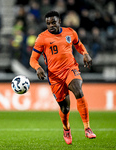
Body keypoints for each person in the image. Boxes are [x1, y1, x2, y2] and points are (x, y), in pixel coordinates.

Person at [29, 11, 96, 145]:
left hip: (70, 69)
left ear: (59, 21)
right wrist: (38, 68)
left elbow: (78, 44)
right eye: (48, 23)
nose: (51, 25)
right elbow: (33, 59)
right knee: (65, 108)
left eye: (53, 22)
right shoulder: (42, 38)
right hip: (55, 77)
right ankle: (66, 129)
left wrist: (85, 53)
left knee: (78, 91)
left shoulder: (70, 32)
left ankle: (87, 128)